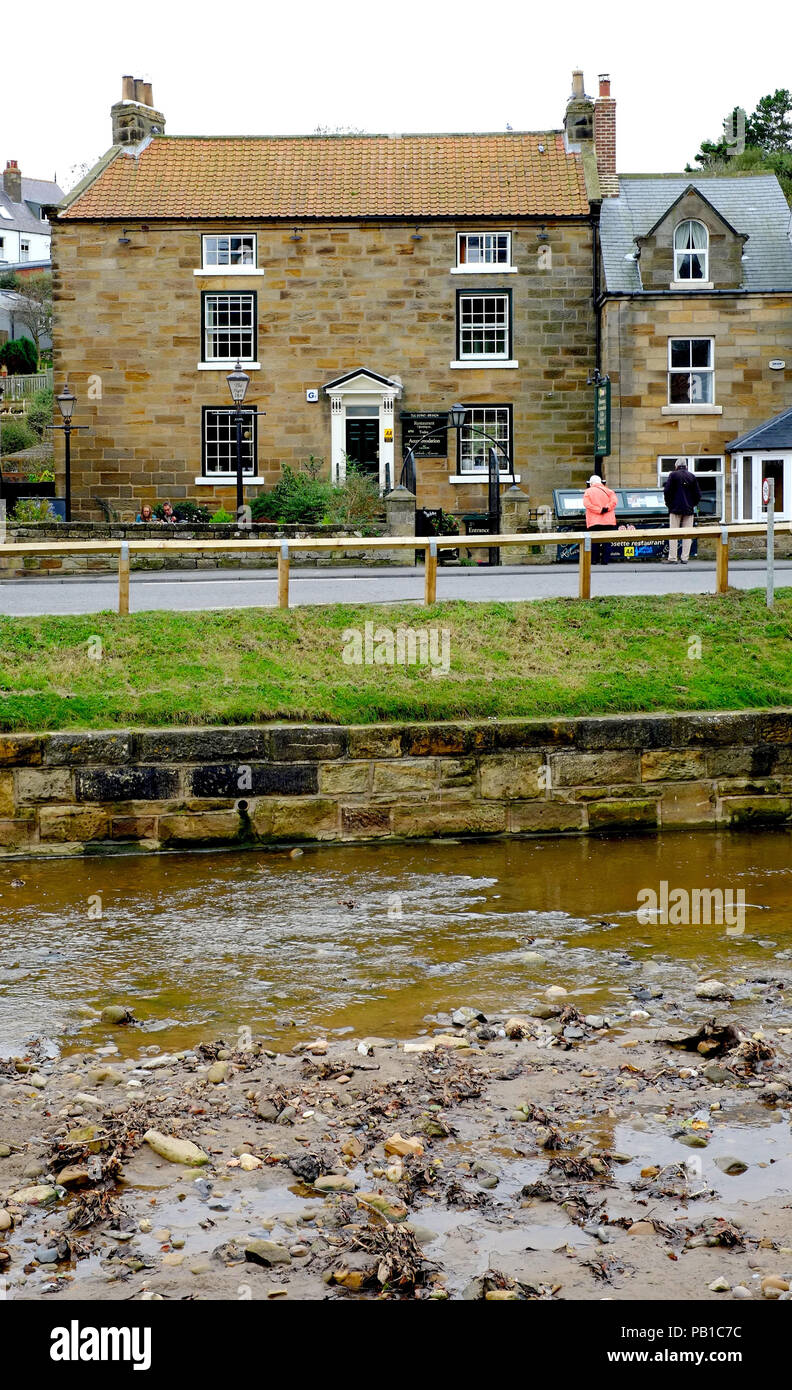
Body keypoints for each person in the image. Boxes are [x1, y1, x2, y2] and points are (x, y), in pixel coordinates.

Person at [663, 460, 701, 564]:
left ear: (676, 466)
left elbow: (667, 491)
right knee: (687, 534)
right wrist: (692, 504)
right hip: (689, 509)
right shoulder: (691, 476)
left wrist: (669, 504)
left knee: (673, 534)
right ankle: (685, 558)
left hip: (675, 509)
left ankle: (673, 558)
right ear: (686, 466)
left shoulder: (673, 475)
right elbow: (698, 494)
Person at [582, 473, 619, 566]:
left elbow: (587, 504)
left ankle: (594, 560)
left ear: (591, 483)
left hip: (594, 521)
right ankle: (605, 560)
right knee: (606, 542)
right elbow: (614, 501)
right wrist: (606, 508)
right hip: (608, 521)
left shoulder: (588, 491)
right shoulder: (609, 491)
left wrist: (599, 510)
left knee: (594, 542)